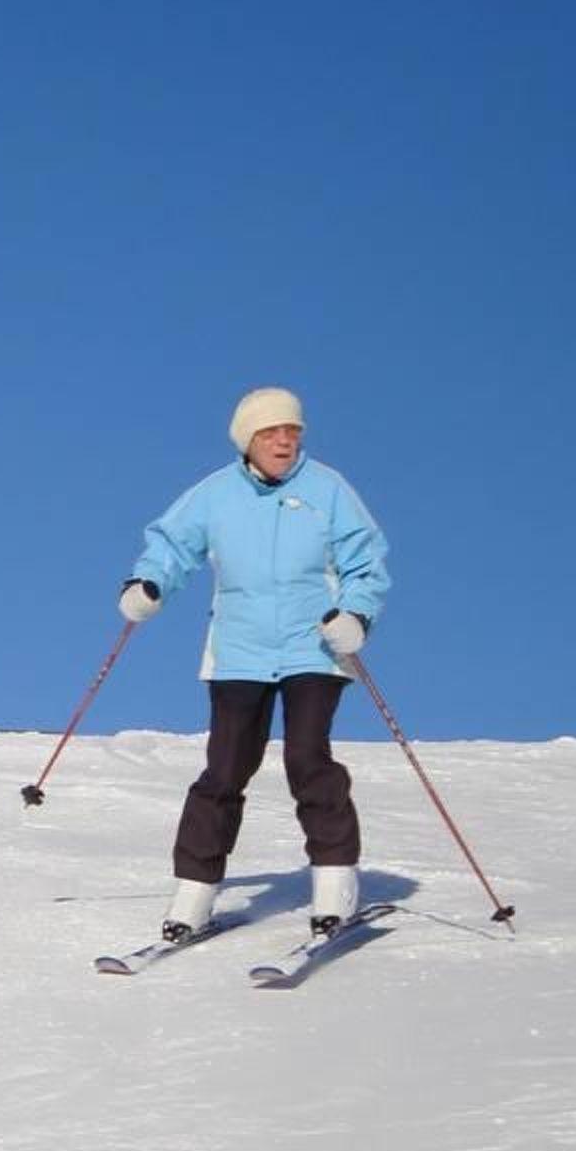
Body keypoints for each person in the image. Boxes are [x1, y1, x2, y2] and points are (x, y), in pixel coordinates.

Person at [118, 387, 389, 941]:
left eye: (292, 431)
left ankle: (336, 884)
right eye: (271, 433)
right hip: (239, 651)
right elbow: (172, 543)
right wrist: (149, 582)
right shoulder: (216, 494)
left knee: (308, 760)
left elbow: (366, 560)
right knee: (224, 770)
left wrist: (356, 615)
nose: (285, 441)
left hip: (312, 648)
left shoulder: (327, 489)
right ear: (248, 440)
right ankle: (193, 894)